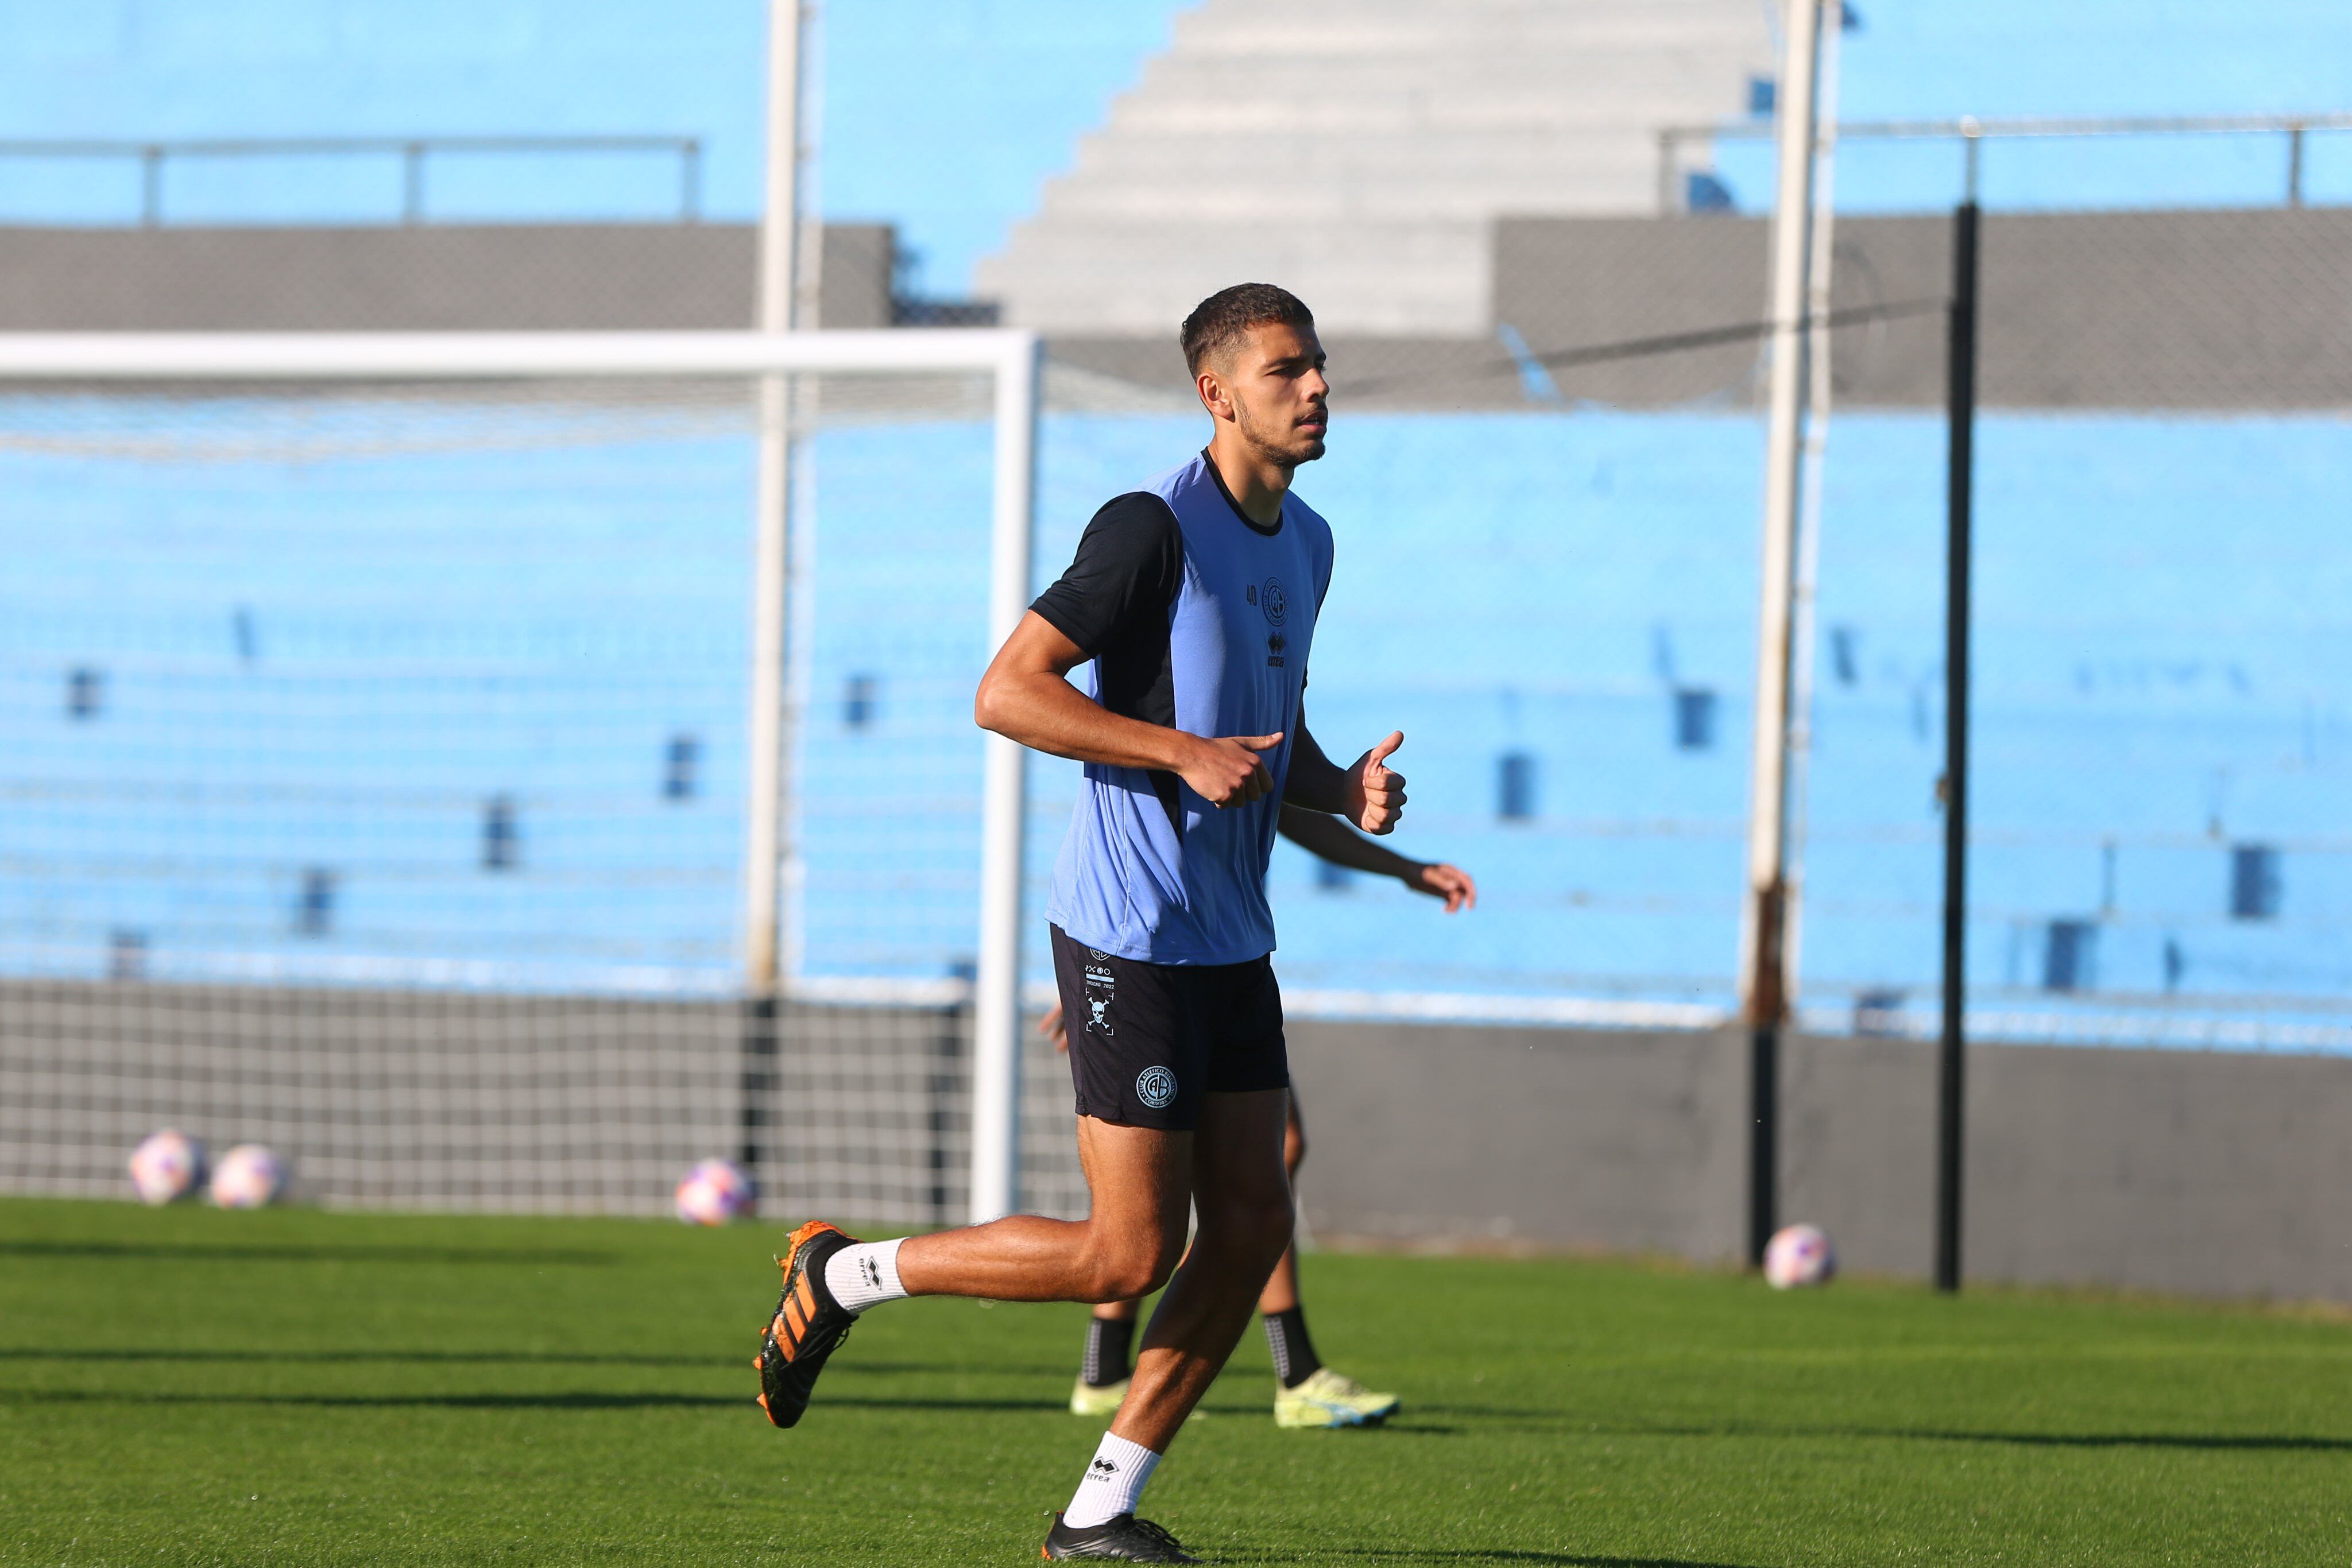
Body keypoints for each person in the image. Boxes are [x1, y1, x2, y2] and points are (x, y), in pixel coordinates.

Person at [752, 282, 1410, 1563]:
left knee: (1255, 1221)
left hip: (1231, 935)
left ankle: (1097, 1514)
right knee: (1127, 1251)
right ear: (1217, 394)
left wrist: (1340, 789)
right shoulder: (1146, 529)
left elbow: (1271, 735)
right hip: (1127, 930)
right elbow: (1006, 692)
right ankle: (839, 1277)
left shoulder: (1310, 542)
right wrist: (1173, 750)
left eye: (1319, 364)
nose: (1316, 388)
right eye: (1286, 371)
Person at [1051, 803, 1473, 1429]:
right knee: (1145, 1222)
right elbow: (1128, 823)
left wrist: (1400, 866)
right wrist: (1100, 968)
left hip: (1219, 960)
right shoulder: (1182, 720)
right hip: (1157, 961)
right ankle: (867, 1273)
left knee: (1247, 1167)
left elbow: (1289, 803)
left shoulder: (1263, 720)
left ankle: (1131, 1367)